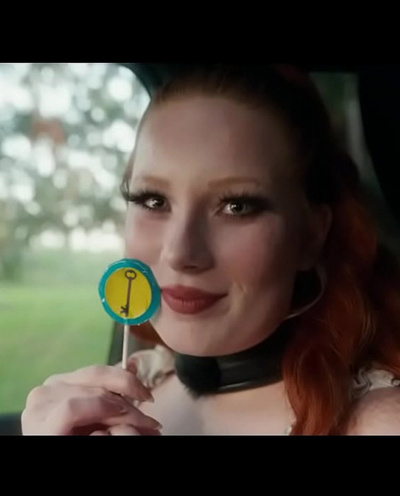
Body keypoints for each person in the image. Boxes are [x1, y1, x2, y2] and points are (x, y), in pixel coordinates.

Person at [22, 64, 400, 435]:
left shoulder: (378, 424)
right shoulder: (128, 390)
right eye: (153, 201)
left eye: (236, 206)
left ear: (311, 236)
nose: (180, 253)